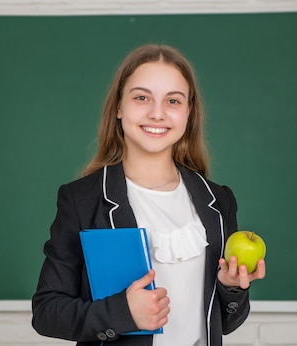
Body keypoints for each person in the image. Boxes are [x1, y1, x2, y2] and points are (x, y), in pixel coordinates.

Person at [31, 44, 266, 346]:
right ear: (118, 107)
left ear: (188, 112)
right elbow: (47, 312)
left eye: (173, 100)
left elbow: (225, 321)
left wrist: (231, 287)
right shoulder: (83, 200)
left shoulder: (218, 201)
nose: (157, 113)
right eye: (142, 97)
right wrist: (122, 313)